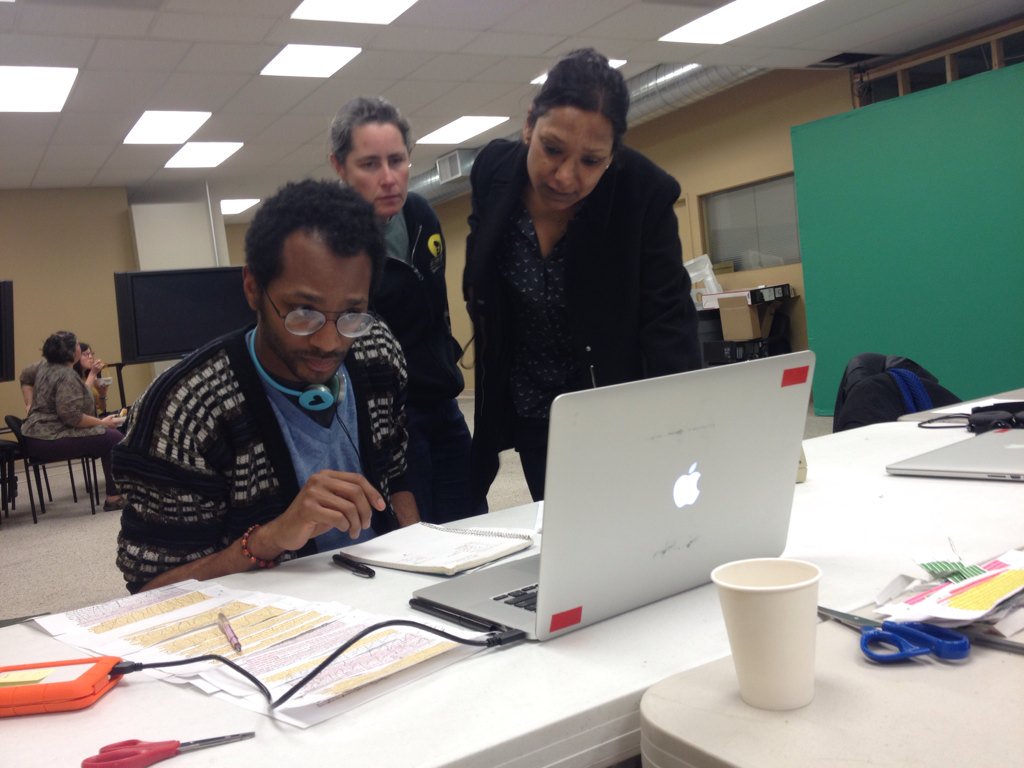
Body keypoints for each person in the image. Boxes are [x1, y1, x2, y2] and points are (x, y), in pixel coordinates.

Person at [113, 180, 418, 594]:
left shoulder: (376, 349)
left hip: (382, 592)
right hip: (263, 617)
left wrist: (417, 564)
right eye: (303, 312)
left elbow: (397, 477)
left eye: (352, 314)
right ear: (253, 288)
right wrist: (269, 539)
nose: (329, 343)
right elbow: (151, 591)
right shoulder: (187, 407)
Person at [463, 48, 701, 509]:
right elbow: (483, 274)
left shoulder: (643, 193)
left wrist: (678, 426)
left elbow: (669, 320)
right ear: (529, 124)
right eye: (552, 149)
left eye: (591, 161)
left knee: (637, 518)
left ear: (612, 156)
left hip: (614, 399)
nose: (565, 177)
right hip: (532, 404)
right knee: (564, 524)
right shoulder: (493, 170)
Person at [329, 96, 472, 524]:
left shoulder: (421, 214)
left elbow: (436, 309)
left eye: (397, 160)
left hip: (442, 400)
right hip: (387, 417)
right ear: (340, 167)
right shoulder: (331, 244)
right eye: (370, 164)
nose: (389, 178)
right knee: (416, 534)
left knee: (470, 520)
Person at [20, 331, 125, 510]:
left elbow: (25, 375)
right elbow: (72, 417)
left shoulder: (45, 365)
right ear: (70, 352)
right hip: (48, 439)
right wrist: (102, 423)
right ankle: (114, 498)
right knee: (113, 438)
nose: (80, 347)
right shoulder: (65, 375)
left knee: (109, 434)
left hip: (37, 436)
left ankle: (116, 493)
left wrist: (29, 403)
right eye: (77, 345)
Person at [73, 342, 111, 414]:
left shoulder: (90, 377)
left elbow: (102, 408)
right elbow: (82, 398)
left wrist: (102, 394)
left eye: (91, 354)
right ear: (76, 357)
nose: (90, 357)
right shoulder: (73, 377)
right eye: (86, 354)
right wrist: (93, 373)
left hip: (95, 417)